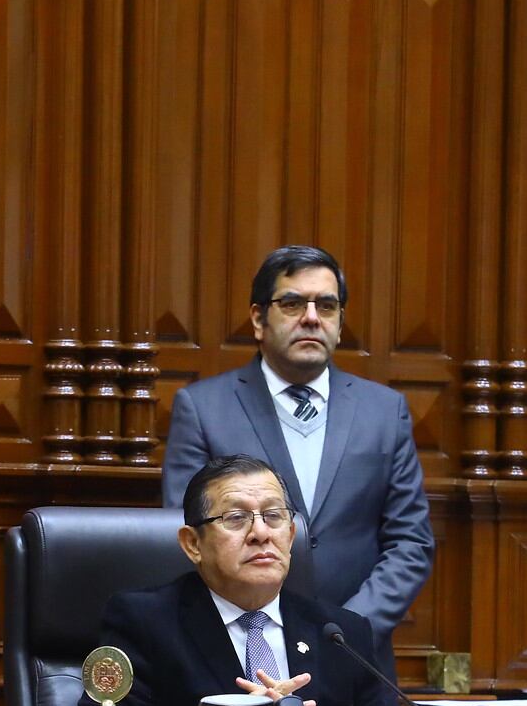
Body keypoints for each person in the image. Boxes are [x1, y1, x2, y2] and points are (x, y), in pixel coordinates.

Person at [160, 245, 433, 665]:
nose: (311, 317)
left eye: (326, 305)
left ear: (340, 323)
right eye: (291, 303)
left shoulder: (384, 411)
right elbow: (193, 534)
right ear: (258, 319)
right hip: (243, 649)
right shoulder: (202, 409)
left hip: (355, 654)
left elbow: (410, 541)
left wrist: (348, 628)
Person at [80, 454, 407, 706]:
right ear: (193, 544)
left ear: (291, 534)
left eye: (274, 516)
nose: (261, 533)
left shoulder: (340, 633)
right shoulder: (143, 621)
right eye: (236, 518)